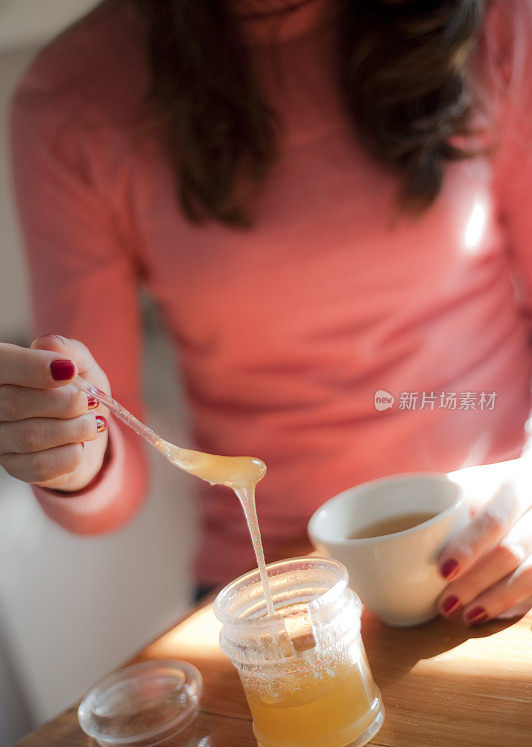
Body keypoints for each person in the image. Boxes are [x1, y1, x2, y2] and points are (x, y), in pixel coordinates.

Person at [3, 0, 532, 621]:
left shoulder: (497, 20)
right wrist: (68, 451)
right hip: (279, 589)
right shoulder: (74, 95)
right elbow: (106, 460)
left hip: (497, 542)